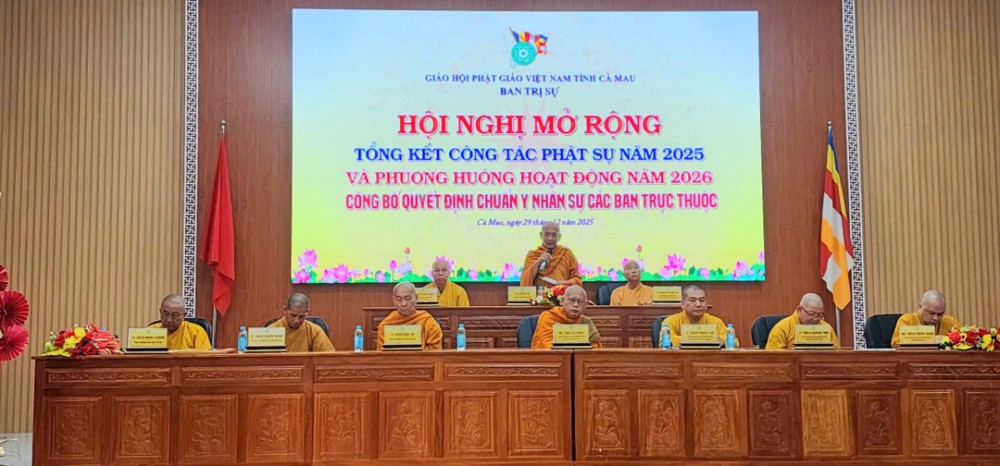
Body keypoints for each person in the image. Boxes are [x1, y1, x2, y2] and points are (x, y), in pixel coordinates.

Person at [531, 285, 603, 349]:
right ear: (562, 301)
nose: (575, 305)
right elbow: (546, 344)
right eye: (571, 300)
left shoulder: (586, 322)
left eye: (580, 301)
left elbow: (595, 348)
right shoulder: (548, 317)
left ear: (585, 306)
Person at [377, 282, 443, 350]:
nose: (403, 304)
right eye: (398, 299)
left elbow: (435, 352)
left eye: (408, 298)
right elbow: (382, 354)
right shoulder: (385, 325)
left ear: (416, 298)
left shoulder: (428, 322)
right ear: (393, 300)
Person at [765, 293, 840, 350]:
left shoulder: (826, 328)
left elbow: (837, 354)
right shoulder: (782, 328)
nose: (815, 319)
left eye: (820, 315)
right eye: (811, 314)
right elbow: (774, 358)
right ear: (799, 309)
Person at [662, 285, 731, 345]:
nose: (698, 304)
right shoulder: (671, 322)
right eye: (692, 300)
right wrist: (704, 339)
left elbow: (732, 341)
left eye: (702, 300)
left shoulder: (716, 322)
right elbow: (665, 341)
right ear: (683, 303)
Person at [520, 222, 583, 288]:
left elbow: (577, 279)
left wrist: (565, 283)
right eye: (546, 235)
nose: (550, 238)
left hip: (561, 293)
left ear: (559, 237)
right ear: (541, 235)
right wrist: (538, 262)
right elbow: (524, 281)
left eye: (554, 235)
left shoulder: (567, 254)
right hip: (539, 293)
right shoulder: (533, 255)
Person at [890, 290, 961, 347]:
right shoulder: (907, 320)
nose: (936, 318)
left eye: (940, 314)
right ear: (920, 307)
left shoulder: (951, 322)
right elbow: (896, 344)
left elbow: (963, 342)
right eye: (931, 313)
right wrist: (930, 340)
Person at [266, 293, 334, 352]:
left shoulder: (315, 331)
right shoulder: (271, 330)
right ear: (285, 310)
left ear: (307, 312)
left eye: (301, 316)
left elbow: (327, 358)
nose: (297, 321)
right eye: (293, 315)